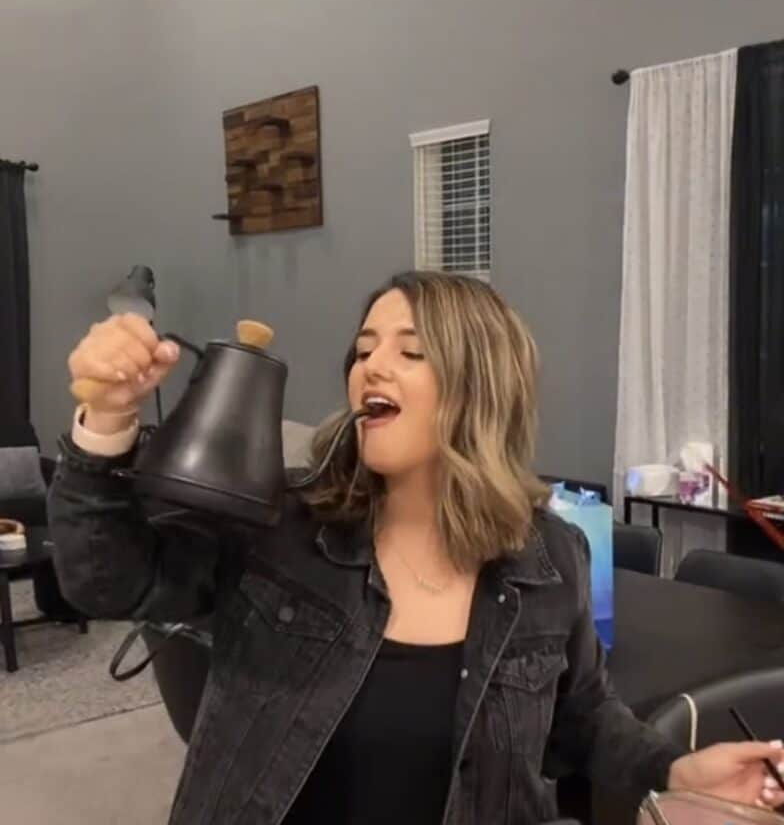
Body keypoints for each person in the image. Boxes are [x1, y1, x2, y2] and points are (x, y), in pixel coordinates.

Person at [49, 271, 784, 825]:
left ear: (478, 388)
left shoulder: (550, 556)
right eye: (363, 349)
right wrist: (106, 423)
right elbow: (105, 580)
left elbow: (582, 718)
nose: (370, 366)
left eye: (410, 351)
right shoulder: (281, 525)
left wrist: (679, 768)